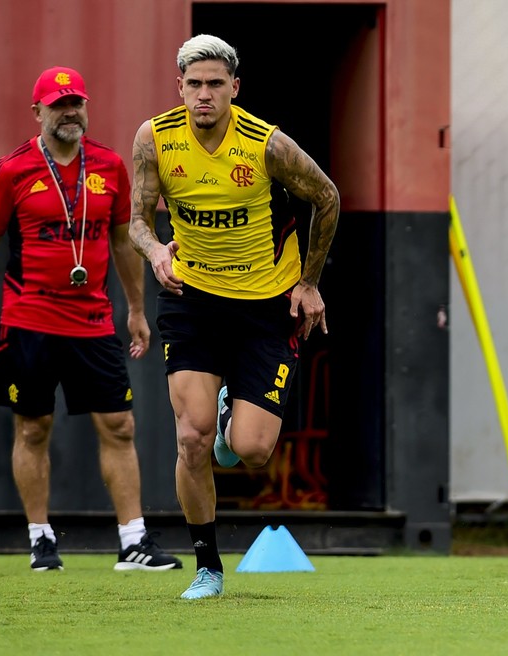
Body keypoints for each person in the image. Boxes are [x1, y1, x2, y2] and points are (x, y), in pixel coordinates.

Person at [128, 34, 340, 599]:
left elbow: (327, 197)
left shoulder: (265, 145)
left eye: (215, 85)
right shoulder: (154, 139)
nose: (204, 95)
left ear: (234, 89)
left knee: (249, 449)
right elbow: (138, 220)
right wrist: (155, 252)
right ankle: (208, 567)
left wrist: (311, 283)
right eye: (194, 84)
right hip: (191, 297)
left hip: (265, 303)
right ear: (180, 87)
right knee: (190, 438)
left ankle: (233, 420)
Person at [0, 66, 182, 573]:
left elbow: (123, 241)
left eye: (75, 101)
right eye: (58, 103)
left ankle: (133, 541)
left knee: (120, 426)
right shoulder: (11, 170)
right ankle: (40, 539)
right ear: (38, 112)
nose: (69, 110)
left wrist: (138, 310)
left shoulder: (110, 166)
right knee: (33, 429)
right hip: (28, 319)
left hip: (94, 321)